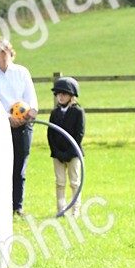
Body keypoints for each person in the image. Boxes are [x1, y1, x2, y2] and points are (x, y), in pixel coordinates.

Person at [0, 37, 38, 217]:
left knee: (19, 167)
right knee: (1, 166)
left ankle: (18, 206)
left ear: (5, 53)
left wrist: (29, 114)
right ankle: (2, 206)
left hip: (23, 126)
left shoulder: (22, 72)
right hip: (0, 125)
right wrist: (8, 118)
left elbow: (32, 100)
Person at [47, 77, 85, 216]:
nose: (60, 97)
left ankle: (75, 209)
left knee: (74, 182)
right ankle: (61, 209)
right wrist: (56, 152)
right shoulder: (54, 113)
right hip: (57, 154)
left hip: (73, 153)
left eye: (63, 94)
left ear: (71, 96)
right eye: (58, 94)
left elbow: (79, 134)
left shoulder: (78, 112)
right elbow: (50, 134)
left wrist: (69, 152)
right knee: (60, 182)